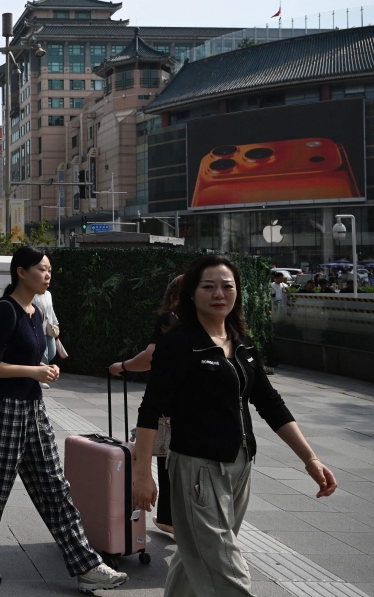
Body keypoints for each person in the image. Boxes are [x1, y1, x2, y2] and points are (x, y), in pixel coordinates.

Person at [134, 254, 337, 596]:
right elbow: (150, 410)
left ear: (237, 293)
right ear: (193, 294)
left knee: (196, 555)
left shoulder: (242, 345)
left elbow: (271, 404)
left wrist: (310, 458)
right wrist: (143, 474)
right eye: (208, 286)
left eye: (227, 286)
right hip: (197, 469)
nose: (219, 293)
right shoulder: (179, 344)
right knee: (227, 569)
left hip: (240, 467)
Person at [0, 247, 127, 591]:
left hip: (33, 408)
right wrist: (34, 371)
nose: (47, 274)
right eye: (41, 269)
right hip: (4, 408)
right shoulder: (5, 311)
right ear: (21, 272)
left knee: (54, 485)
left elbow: (35, 357)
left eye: (49, 269)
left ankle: (86, 564)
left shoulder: (36, 312)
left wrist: (45, 370)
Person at [108, 275, 184, 536]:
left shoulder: (170, 318)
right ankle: (174, 518)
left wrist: (123, 366)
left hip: (171, 402)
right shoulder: (212, 322)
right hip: (200, 407)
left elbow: (151, 356)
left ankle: (170, 518)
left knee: (166, 455)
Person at [31, 289, 60, 389]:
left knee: (52, 352)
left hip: (48, 327)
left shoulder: (48, 294)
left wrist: (55, 323)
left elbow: (51, 310)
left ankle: (38, 370)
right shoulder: (33, 295)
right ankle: (40, 378)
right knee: (44, 354)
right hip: (39, 328)